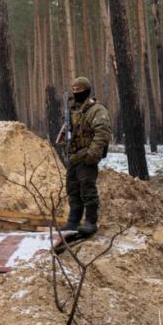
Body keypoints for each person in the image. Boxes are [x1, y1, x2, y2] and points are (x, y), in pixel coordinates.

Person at [60, 76, 112, 235]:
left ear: (87, 91)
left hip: (86, 156)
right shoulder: (72, 110)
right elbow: (67, 133)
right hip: (74, 157)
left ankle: (90, 221)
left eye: (79, 90)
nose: (76, 93)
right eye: (74, 90)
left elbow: (102, 133)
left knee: (87, 189)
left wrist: (92, 154)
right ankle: (73, 221)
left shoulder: (96, 110)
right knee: (73, 189)